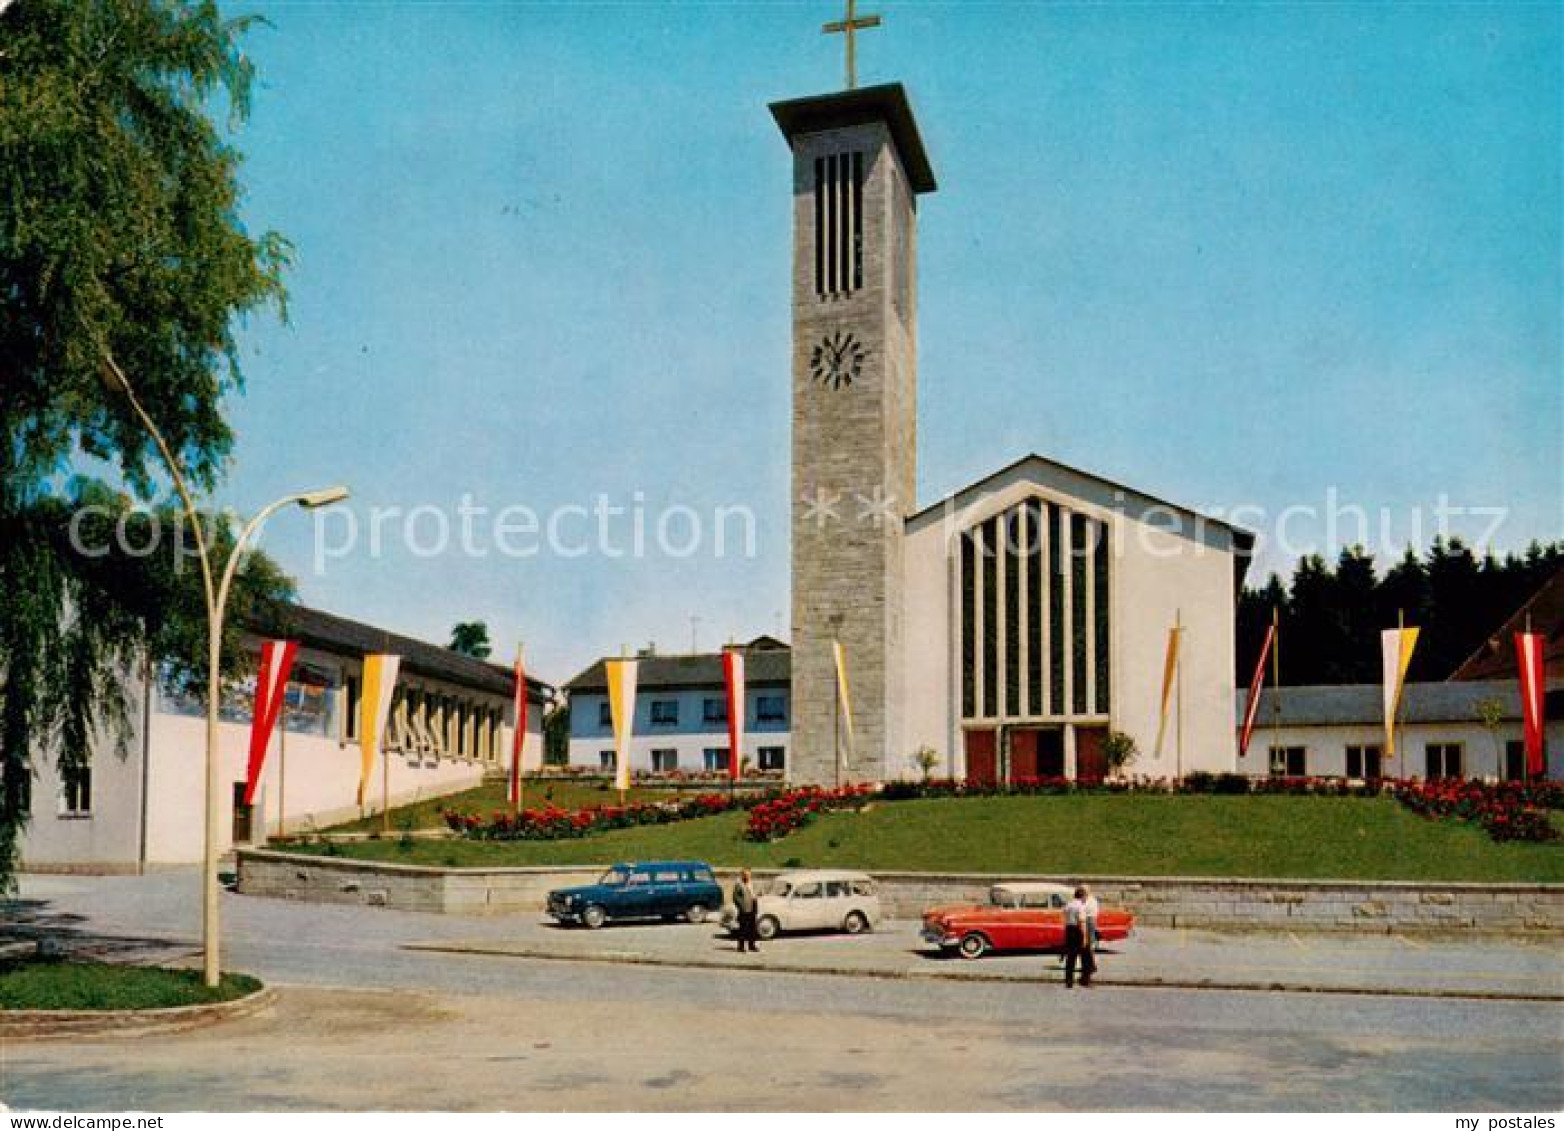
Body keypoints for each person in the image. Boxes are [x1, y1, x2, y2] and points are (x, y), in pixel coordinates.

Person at [1062, 885, 1096, 989]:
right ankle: (1085, 980)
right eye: (1085, 896)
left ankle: (1069, 982)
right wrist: (1085, 937)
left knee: (1070, 957)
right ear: (1082, 896)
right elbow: (1082, 922)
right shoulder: (1081, 906)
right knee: (1086, 957)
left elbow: (1064, 916)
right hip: (1078, 931)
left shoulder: (1068, 905)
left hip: (1069, 930)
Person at [732, 868, 760, 953]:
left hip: (753, 907)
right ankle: (741, 946)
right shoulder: (739, 884)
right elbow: (735, 897)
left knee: (752, 928)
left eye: (748, 874)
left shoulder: (751, 883)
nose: (747, 876)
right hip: (744, 909)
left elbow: (754, 894)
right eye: (745, 875)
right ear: (742, 875)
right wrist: (741, 906)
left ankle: (752, 945)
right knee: (743, 929)